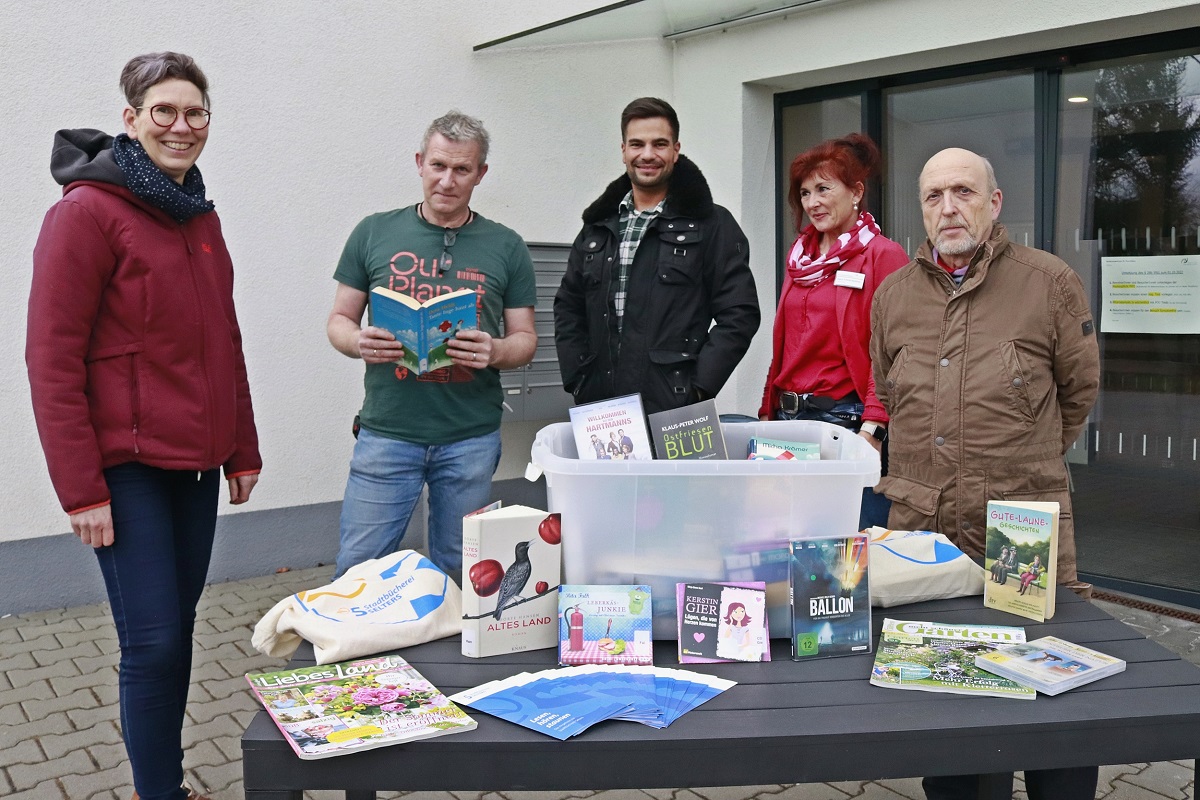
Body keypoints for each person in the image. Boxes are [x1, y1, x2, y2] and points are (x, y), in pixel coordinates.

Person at [26, 52, 261, 800]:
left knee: (175, 635)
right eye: (164, 110)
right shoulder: (85, 213)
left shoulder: (198, 216)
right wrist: (80, 491)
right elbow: (51, 358)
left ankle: (164, 782)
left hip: (194, 466)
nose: (181, 126)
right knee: (153, 644)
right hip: (123, 470)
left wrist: (242, 448)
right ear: (131, 119)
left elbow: (224, 339)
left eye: (195, 112)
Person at [871, 147, 1100, 800]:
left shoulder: (1049, 283)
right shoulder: (893, 297)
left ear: (994, 203)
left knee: (1052, 701)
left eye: (964, 192)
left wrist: (1025, 467)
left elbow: (1077, 392)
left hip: (1020, 528)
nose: (949, 207)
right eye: (934, 195)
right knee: (950, 716)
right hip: (926, 531)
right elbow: (890, 387)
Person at [327, 111, 537, 581]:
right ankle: (357, 654)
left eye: (462, 169)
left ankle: (445, 655)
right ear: (420, 163)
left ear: (480, 173)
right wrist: (359, 341)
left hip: (470, 435)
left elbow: (525, 339)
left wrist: (496, 351)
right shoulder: (374, 232)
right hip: (388, 431)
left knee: (460, 572)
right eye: (439, 165)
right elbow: (339, 320)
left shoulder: (507, 246)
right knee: (358, 569)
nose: (447, 180)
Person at [554, 97, 760, 414]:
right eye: (637, 144)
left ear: (675, 150)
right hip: (600, 409)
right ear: (623, 150)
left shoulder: (712, 225)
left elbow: (740, 314)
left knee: (681, 469)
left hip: (678, 408)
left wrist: (698, 389)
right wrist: (578, 378)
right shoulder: (597, 228)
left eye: (659, 144)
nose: (647, 155)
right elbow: (568, 307)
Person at [758, 133, 909, 529]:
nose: (813, 202)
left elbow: (895, 353)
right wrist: (766, 414)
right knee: (782, 538)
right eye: (805, 193)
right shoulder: (800, 258)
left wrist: (873, 429)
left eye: (824, 188)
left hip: (847, 422)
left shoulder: (882, 255)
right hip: (788, 424)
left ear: (856, 191)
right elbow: (786, 348)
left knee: (843, 559)